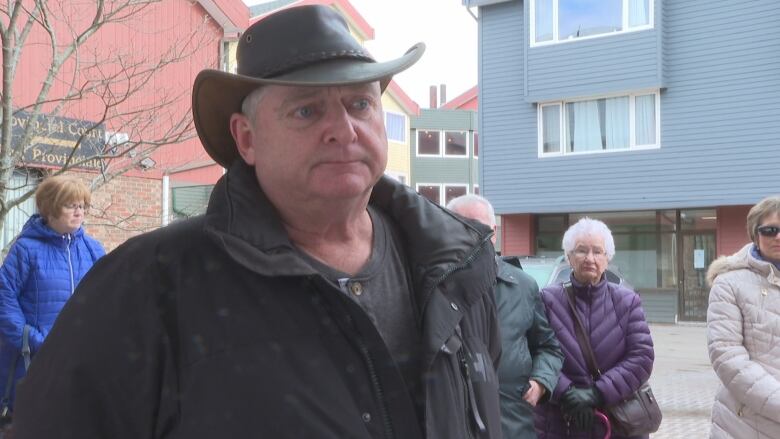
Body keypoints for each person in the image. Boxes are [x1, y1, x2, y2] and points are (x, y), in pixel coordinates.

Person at [13, 5, 503, 439]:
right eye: (307, 110)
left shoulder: (455, 269)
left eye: (359, 104)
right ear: (246, 139)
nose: (343, 129)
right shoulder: (148, 285)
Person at [447, 194, 563, 439]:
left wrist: (541, 381)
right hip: (455, 422)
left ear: (495, 232)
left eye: (481, 228)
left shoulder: (523, 286)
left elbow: (548, 347)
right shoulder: (434, 285)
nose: (474, 235)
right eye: (464, 227)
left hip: (513, 422)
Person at [535, 218, 654, 439]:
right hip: (562, 421)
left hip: (616, 422)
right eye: (581, 251)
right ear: (569, 257)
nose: (590, 258)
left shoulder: (627, 301)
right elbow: (536, 352)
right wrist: (567, 393)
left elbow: (641, 357)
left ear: (607, 259)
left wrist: (597, 393)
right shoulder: (547, 300)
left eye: (598, 251)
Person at [0, 175, 104, 414]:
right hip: (33, 361)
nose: (79, 212)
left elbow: (108, 298)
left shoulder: (93, 249)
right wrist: (34, 340)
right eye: (71, 206)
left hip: (80, 361)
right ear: (50, 209)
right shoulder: (25, 249)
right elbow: (4, 298)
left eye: (82, 206)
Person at [706, 195, 780, 438]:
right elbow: (727, 357)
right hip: (744, 424)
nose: (777, 236)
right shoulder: (729, 283)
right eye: (769, 230)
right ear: (755, 235)